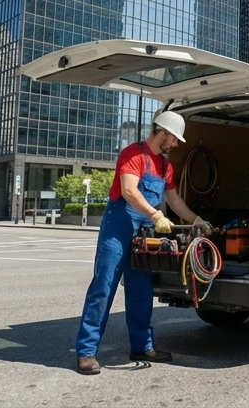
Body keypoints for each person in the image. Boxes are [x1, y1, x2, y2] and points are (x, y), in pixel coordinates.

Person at [75, 110, 210, 375]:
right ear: (162, 132)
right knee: (103, 287)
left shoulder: (165, 166)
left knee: (141, 291)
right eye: (174, 139)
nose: (176, 144)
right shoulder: (132, 155)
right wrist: (155, 214)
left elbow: (173, 199)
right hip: (118, 230)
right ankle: (86, 352)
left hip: (142, 234)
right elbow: (128, 191)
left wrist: (196, 220)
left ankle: (142, 346)